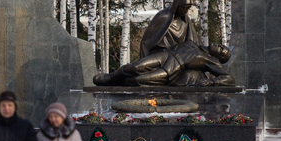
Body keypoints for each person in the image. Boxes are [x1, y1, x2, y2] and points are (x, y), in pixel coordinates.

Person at [92, 41, 235, 87]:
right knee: (135, 67)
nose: (220, 46)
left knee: (137, 80)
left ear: (218, 58)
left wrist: (211, 82)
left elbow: (229, 78)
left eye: (222, 50)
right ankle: (111, 77)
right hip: (165, 55)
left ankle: (117, 85)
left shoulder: (211, 61)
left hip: (172, 69)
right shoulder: (193, 42)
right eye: (223, 45)